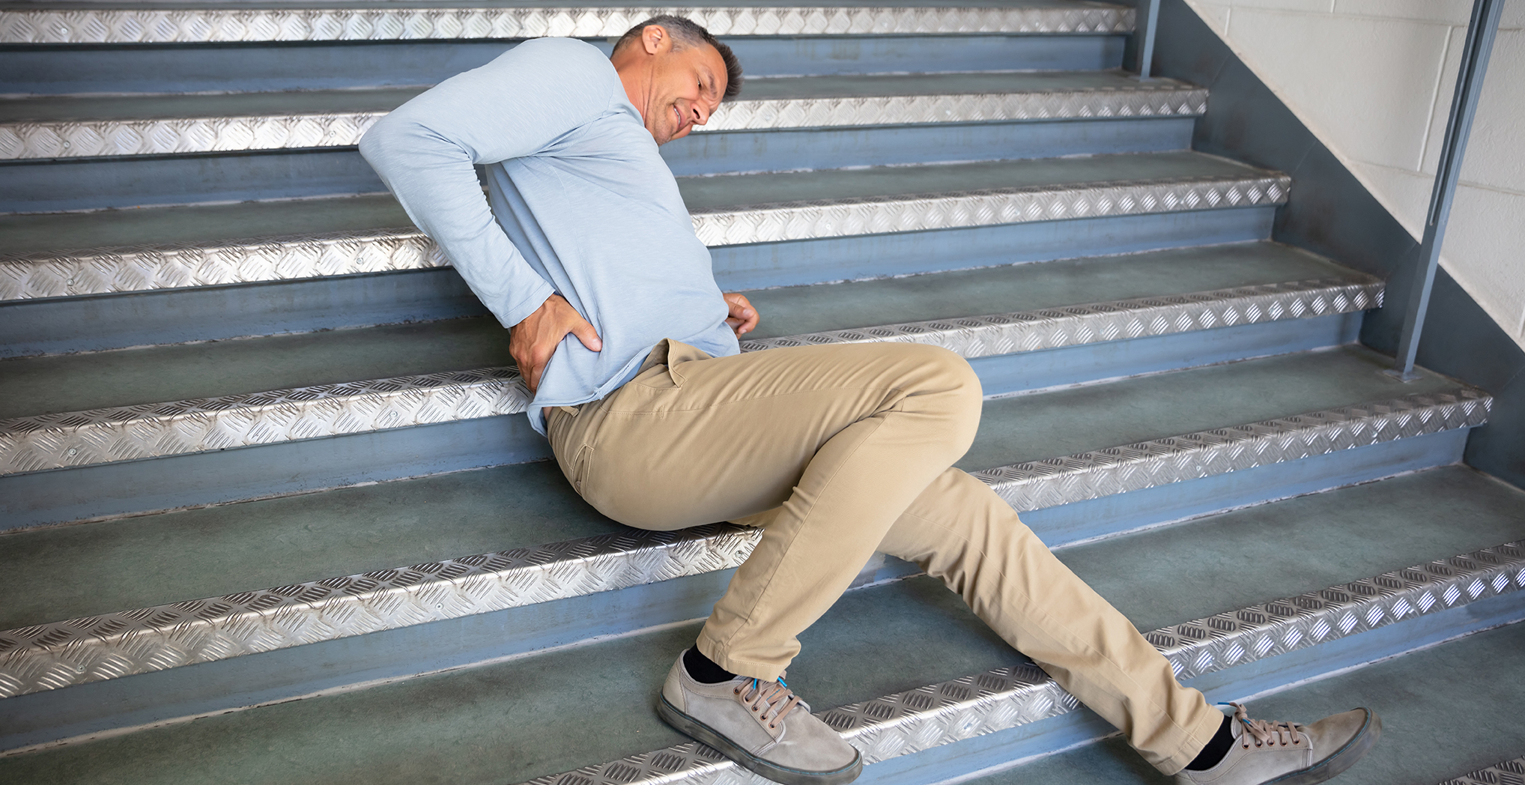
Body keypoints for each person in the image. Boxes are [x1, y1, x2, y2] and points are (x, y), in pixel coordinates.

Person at [359, 16, 1381, 785]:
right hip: (633, 417)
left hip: (696, 397)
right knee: (935, 382)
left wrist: (703, 309)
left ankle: (1197, 741)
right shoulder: (577, 72)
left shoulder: (605, 154)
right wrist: (523, 300)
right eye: (701, 83)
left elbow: (601, 262)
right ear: (654, 39)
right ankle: (725, 670)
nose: (702, 110)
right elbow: (410, 140)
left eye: (712, 107)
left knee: (966, 513)